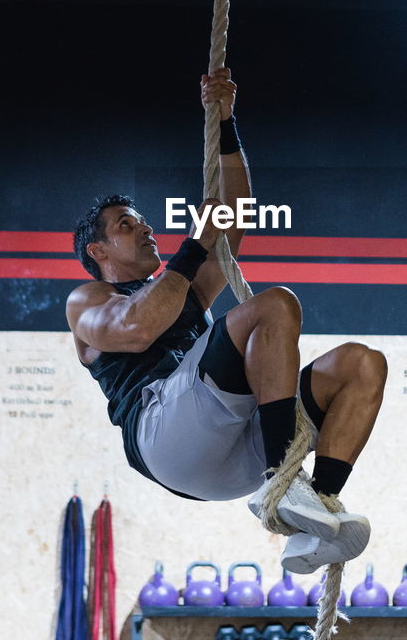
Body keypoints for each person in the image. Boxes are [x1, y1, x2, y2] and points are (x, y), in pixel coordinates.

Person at [66, 67, 386, 572]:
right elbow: (138, 327)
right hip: (165, 439)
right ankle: (282, 481)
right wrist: (194, 245)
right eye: (128, 226)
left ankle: (314, 513)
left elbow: (234, 214)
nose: (146, 229)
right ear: (98, 251)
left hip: (234, 449)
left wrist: (225, 123)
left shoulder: (182, 288)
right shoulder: (89, 300)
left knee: (363, 364)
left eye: (144, 222)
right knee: (275, 304)